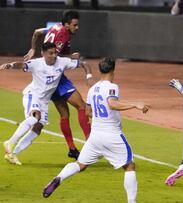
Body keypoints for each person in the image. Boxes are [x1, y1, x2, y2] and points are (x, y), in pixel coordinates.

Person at [42, 58, 149, 203]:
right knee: (129, 165)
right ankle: (132, 201)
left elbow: (87, 112)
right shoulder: (112, 87)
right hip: (112, 135)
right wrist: (135, 104)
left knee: (81, 164)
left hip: (95, 136)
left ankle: (59, 178)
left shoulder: (93, 89)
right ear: (113, 71)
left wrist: (98, 116)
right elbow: (112, 104)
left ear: (99, 71)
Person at [1, 42, 89, 165]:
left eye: (55, 53)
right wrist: (10, 65)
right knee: (36, 117)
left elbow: (82, 64)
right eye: (50, 53)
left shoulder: (62, 62)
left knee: (38, 128)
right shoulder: (37, 63)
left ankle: (13, 154)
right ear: (43, 53)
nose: (53, 56)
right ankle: (10, 142)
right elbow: (22, 64)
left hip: (44, 101)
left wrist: (88, 74)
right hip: (33, 95)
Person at [22, 10, 92, 159]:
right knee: (82, 107)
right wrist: (71, 57)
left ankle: (72, 149)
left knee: (64, 114)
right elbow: (55, 57)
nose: (77, 27)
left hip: (49, 81)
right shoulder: (62, 34)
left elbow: (36, 32)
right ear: (67, 24)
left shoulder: (55, 27)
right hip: (56, 78)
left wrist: (33, 48)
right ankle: (91, 144)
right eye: (75, 25)